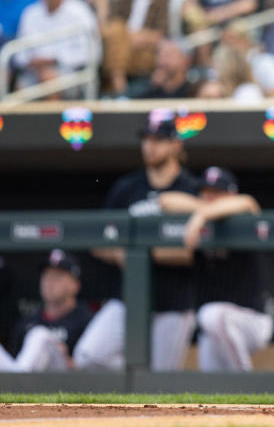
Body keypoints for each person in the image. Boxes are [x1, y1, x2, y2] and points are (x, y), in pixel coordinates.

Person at [73, 117, 202, 371]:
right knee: (89, 356)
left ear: (176, 145)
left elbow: (196, 251)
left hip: (173, 301)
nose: (150, 147)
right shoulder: (127, 187)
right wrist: (119, 253)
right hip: (129, 297)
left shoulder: (191, 188)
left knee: (159, 384)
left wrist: (142, 255)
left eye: (158, 140)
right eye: (146, 140)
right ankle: (131, 376)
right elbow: (98, 240)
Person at [158, 166, 274, 372]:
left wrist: (201, 215)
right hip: (213, 328)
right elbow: (165, 201)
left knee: (212, 314)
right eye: (205, 191)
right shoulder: (203, 217)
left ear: (230, 194)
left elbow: (247, 202)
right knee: (212, 386)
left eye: (215, 192)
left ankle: (246, 383)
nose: (208, 197)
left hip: (251, 320)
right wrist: (204, 210)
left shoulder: (243, 215)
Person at [0, 250, 92, 372]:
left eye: (57, 277)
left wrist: (67, 359)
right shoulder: (28, 321)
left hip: (64, 382)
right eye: (46, 276)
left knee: (40, 335)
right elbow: (15, 361)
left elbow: (95, 366)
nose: (49, 283)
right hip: (23, 380)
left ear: (75, 285)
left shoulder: (86, 320)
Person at [14, 0, 99, 95]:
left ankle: (49, 116)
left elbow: (91, 54)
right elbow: (19, 54)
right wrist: (31, 62)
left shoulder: (80, 12)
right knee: (19, 87)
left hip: (72, 74)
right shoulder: (30, 13)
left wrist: (55, 59)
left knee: (49, 79)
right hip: (34, 72)